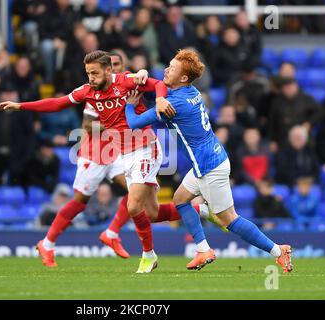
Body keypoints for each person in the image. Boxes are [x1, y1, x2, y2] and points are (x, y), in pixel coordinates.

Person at [0, 51, 215, 273]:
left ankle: (147, 255)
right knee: (151, 213)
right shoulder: (87, 92)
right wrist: (21, 106)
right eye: (88, 73)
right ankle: (200, 210)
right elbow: (57, 103)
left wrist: (159, 99)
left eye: (95, 73)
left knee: (132, 205)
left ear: (109, 70)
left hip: (145, 148)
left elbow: (159, 84)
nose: (91, 77)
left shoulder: (127, 82)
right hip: (123, 154)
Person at [124, 49, 293, 273]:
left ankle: (278, 251)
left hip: (208, 166)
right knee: (180, 199)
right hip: (209, 159)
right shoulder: (190, 91)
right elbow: (159, 89)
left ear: (183, 77)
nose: (166, 69)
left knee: (229, 220)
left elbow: (133, 123)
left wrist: (129, 103)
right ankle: (203, 247)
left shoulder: (174, 104)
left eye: (172, 68)